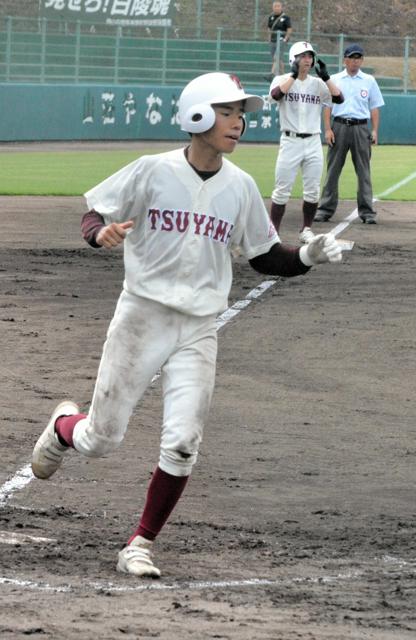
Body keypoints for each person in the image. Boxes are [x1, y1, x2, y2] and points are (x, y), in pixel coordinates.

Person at [31, 72, 344, 579]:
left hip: (199, 327)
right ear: (197, 114)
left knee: (182, 443)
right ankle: (64, 430)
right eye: (228, 111)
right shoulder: (152, 171)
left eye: (242, 113)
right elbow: (95, 212)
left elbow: (264, 256)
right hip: (141, 317)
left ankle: (139, 543)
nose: (239, 122)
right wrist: (99, 235)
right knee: (101, 439)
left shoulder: (240, 188)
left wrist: (307, 255)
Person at [268, 41, 344, 243]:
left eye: (310, 56)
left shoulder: (318, 84)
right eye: (303, 56)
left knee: (312, 189)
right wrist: (293, 75)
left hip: (312, 141)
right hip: (290, 140)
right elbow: (275, 96)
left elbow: (339, 98)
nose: (308, 60)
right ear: (293, 59)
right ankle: (273, 232)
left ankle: (306, 229)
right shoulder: (282, 79)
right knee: (282, 189)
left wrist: (326, 77)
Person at [314, 43, 384, 225]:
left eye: (358, 57)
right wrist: (328, 129)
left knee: (363, 171)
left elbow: (374, 107)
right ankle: (325, 210)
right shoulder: (335, 79)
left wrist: (375, 130)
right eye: (352, 57)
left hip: (361, 128)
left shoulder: (369, 80)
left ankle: (367, 212)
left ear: (362, 60)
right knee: (333, 170)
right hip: (339, 126)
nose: (355, 61)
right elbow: (328, 107)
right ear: (345, 60)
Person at [267, 1, 292, 77]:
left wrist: (285, 38)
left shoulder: (286, 18)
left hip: (281, 40)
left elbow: (289, 29)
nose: (276, 8)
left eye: (278, 6)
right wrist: (269, 38)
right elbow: (269, 28)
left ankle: (271, 74)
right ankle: (283, 75)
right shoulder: (271, 17)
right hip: (273, 41)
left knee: (276, 57)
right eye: (275, 6)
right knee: (278, 60)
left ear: (281, 7)